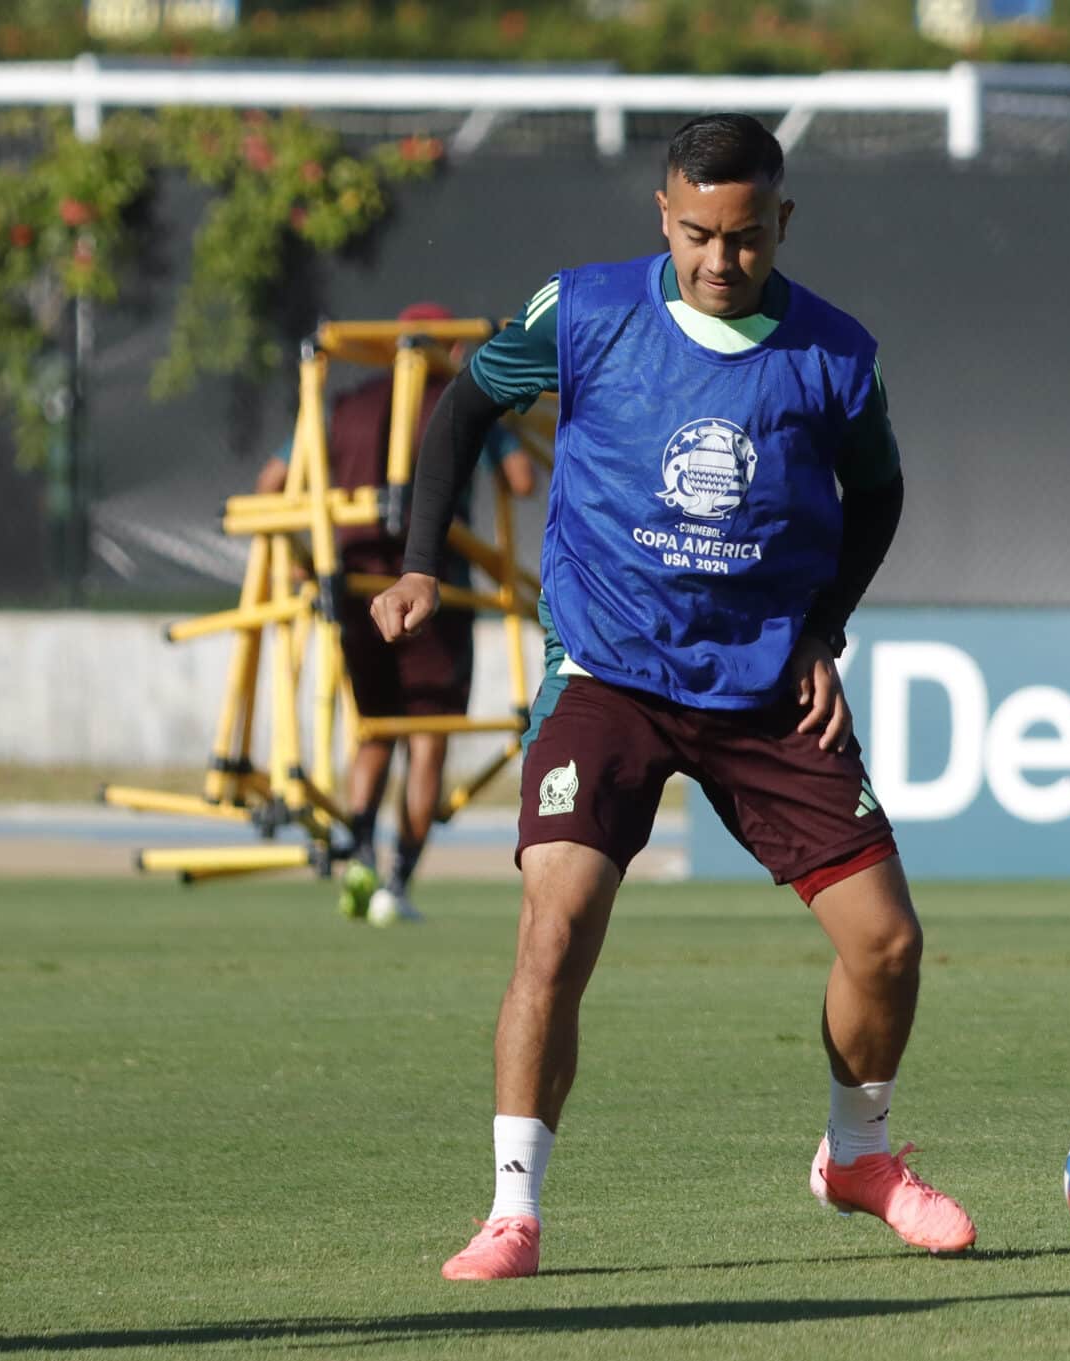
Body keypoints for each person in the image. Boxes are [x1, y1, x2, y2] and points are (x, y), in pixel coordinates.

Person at [371, 113, 974, 1279]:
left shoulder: (836, 355)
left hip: (762, 690)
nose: (717, 260)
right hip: (609, 677)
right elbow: (461, 405)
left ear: (780, 224)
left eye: (743, 238)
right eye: (696, 233)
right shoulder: (586, 309)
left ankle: (857, 1156)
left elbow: (879, 498)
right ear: (662, 214)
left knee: (888, 945)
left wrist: (819, 628)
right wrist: (416, 563)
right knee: (556, 926)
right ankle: (512, 1211)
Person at [257, 301, 538, 923]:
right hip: (433, 589)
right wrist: (506, 424)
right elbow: (521, 480)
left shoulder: (344, 405)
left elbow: (271, 482)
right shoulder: (462, 401)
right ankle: (397, 882)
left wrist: (308, 554)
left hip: (355, 587)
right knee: (428, 739)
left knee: (374, 731)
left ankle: (358, 858)